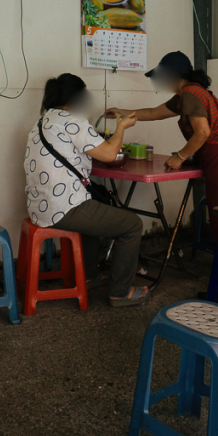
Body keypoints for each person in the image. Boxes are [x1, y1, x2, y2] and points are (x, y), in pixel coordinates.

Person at [105, 51, 218, 301]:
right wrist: (123, 112)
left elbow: (203, 132)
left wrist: (180, 157)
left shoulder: (191, 94)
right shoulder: (187, 95)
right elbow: (153, 113)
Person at [24, 73, 149, 307]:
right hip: (64, 208)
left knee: (95, 211)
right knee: (132, 225)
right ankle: (120, 293)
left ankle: (89, 275)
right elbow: (110, 154)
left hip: (40, 207)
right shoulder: (73, 120)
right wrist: (121, 126)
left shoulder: (44, 121)